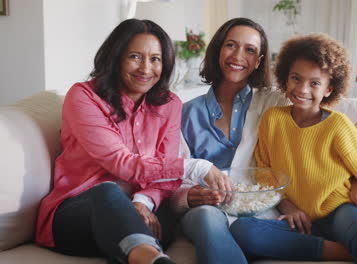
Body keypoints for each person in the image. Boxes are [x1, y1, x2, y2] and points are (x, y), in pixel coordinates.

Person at [171, 18, 357, 264]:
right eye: (230, 45)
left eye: (250, 50)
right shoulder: (186, 113)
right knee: (206, 217)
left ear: (259, 61)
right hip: (208, 210)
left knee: (248, 231)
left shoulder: (276, 102)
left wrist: (356, 182)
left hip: (262, 209)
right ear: (217, 49)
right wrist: (189, 196)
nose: (238, 55)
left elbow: (324, 139)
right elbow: (173, 178)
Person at [35, 19, 227, 264]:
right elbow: (121, 163)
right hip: (80, 214)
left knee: (163, 216)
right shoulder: (84, 97)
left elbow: (165, 179)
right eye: (135, 56)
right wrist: (194, 166)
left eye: (155, 59)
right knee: (107, 192)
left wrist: (142, 201)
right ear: (115, 58)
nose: (146, 68)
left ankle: (141, 252)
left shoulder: (169, 104)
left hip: (142, 213)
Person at [229, 33, 357, 263]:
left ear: (329, 89)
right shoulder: (272, 119)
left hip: (341, 211)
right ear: (285, 78)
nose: (302, 89)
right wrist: (288, 206)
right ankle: (345, 251)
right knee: (242, 231)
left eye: (314, 83)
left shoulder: (338, 125)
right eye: (296, 78)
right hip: (300, 221)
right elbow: (266, 172)